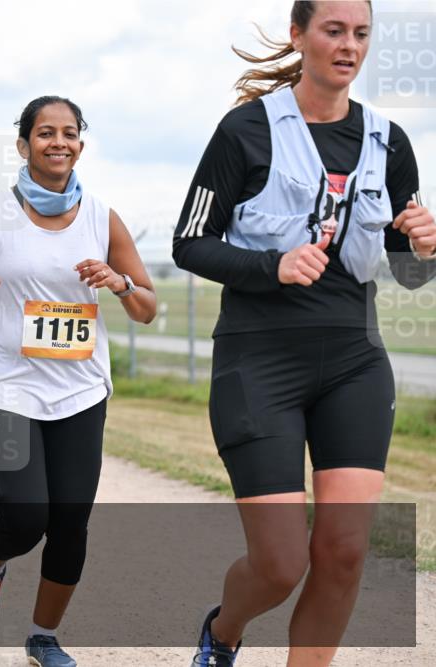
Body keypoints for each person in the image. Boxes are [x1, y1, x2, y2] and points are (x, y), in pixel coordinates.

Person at [171, 2, 436, 665]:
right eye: (334, 30)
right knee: (281, 562)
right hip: (259, 363)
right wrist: (273, 264)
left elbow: (407, 275)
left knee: (343, 552)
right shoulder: (244, 132)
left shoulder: (389, 142)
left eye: (361, 34)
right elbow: (188, 243)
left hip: (353, 361)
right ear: (300, 35)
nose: (349, 46)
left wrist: (425, 251)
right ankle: (223, 632)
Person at [0, 96, 156, 667]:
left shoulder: (102, 217)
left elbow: (147, 308)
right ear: (24, 144)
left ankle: (43, 636)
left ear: (80, 144)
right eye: (44, 133)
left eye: (68, 133)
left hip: (79, 389)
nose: (57, 142)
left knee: (70, 520)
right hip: (4, 386)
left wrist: (119, 282)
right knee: (26, 514)